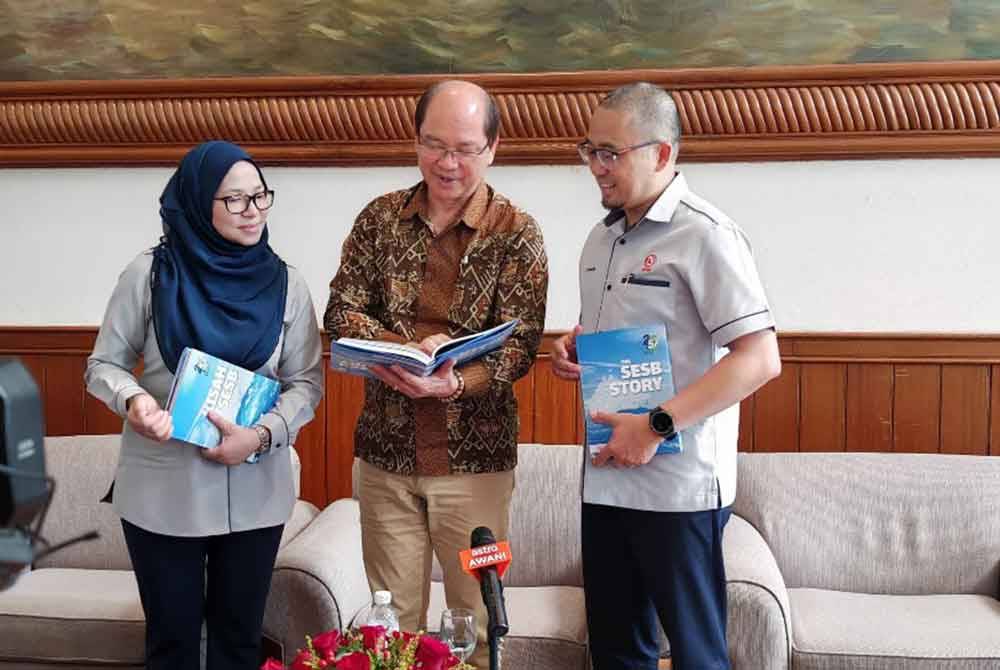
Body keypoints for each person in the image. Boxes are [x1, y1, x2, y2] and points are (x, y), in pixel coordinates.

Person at [551, 83, 781, 670]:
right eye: (590, 151)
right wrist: (576, 349)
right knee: (616, 654)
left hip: (679, 492)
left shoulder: (706, 234)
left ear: (661, 152)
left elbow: (759, 358)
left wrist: (655, 426)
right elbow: (628, 335)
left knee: (697, 656)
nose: (596, 167)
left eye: (611, 153)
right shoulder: (601, 238)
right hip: (606, 478)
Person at [324, 80, 548, 668]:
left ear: (493, 148)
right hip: (386, 458)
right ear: (416, 140)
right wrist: (406, 349)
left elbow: (522, 343)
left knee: (477, 624)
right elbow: (341, 310)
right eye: (434, 145)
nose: (448, 163)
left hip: (476, 468)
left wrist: (455, 380)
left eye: (465, 149)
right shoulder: (379, 219)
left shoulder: (516, 233)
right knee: (391, 631)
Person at [85, 140, 324, 670]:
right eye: (234, 199)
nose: (253, 211)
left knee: (239, 644)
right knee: (171, 644)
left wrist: (260, 436)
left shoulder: (287, 284)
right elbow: (102, 365)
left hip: (256, 491)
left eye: (260, 196)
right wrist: (134, 400)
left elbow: (306, 384)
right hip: (163, 491)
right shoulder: (149, 275)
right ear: (196, 202)